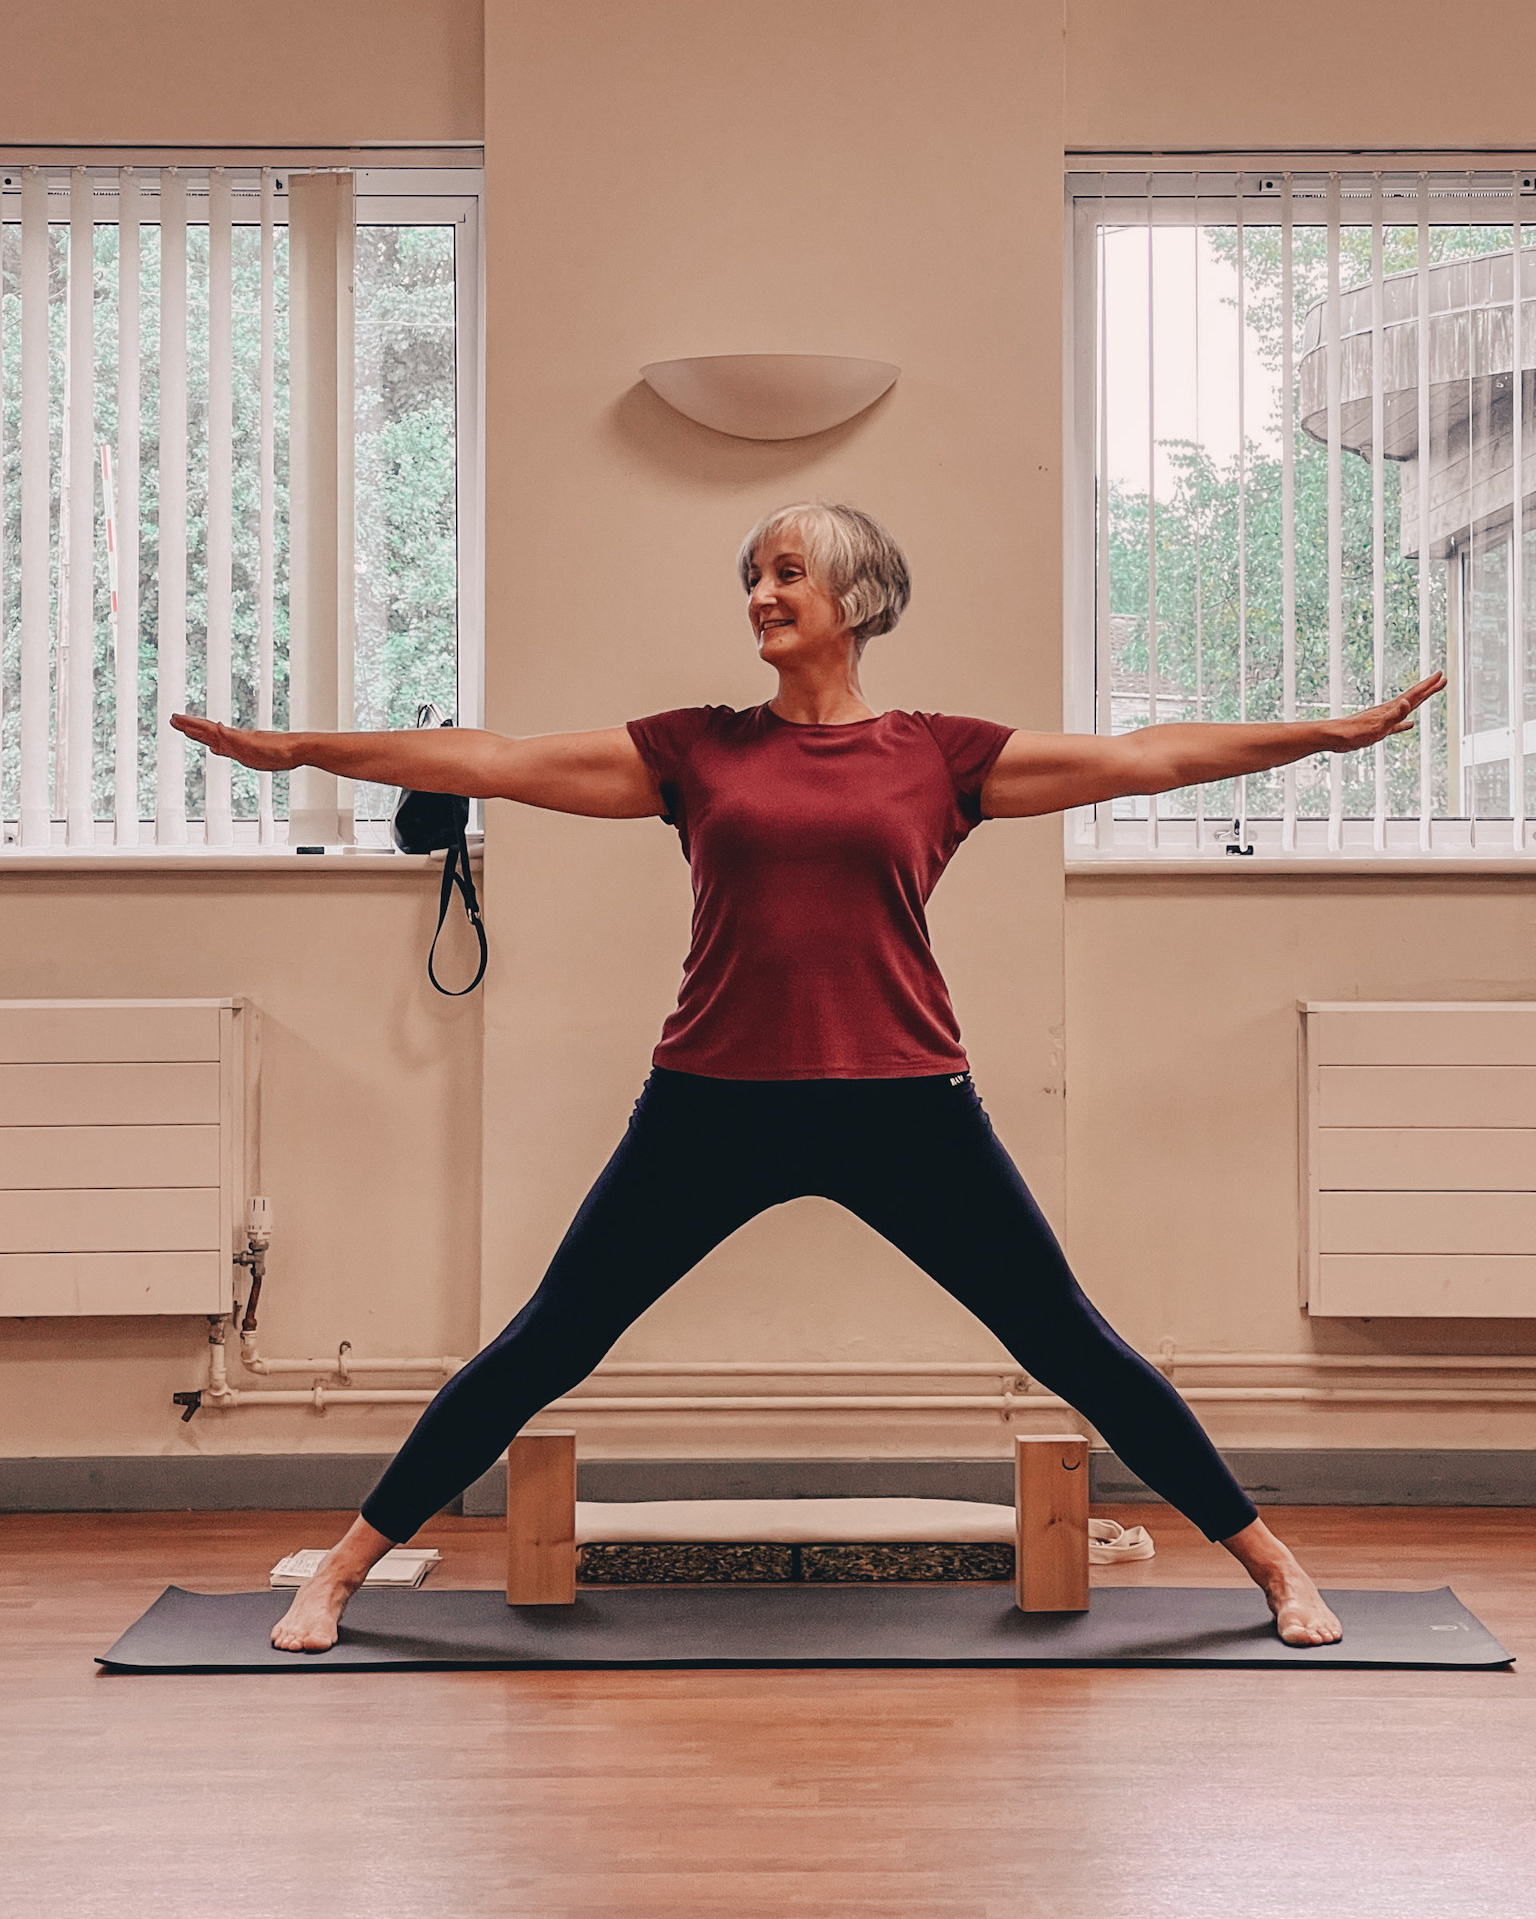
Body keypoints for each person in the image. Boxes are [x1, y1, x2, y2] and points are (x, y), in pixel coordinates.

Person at [173, 500, 1444, 1655]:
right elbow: (491, 759)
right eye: (754, 575)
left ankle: (1271, 1562)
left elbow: (1151, 757)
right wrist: (302, 752)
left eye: (788, 572)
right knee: (547, 1340)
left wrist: (1327, 736)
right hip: (712, 1101)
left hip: (906, 1102)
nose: (761, 594)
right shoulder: (695, 750)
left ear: (856, 595)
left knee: (1070, 1340)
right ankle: (342, 1569)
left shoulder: (939, 755)